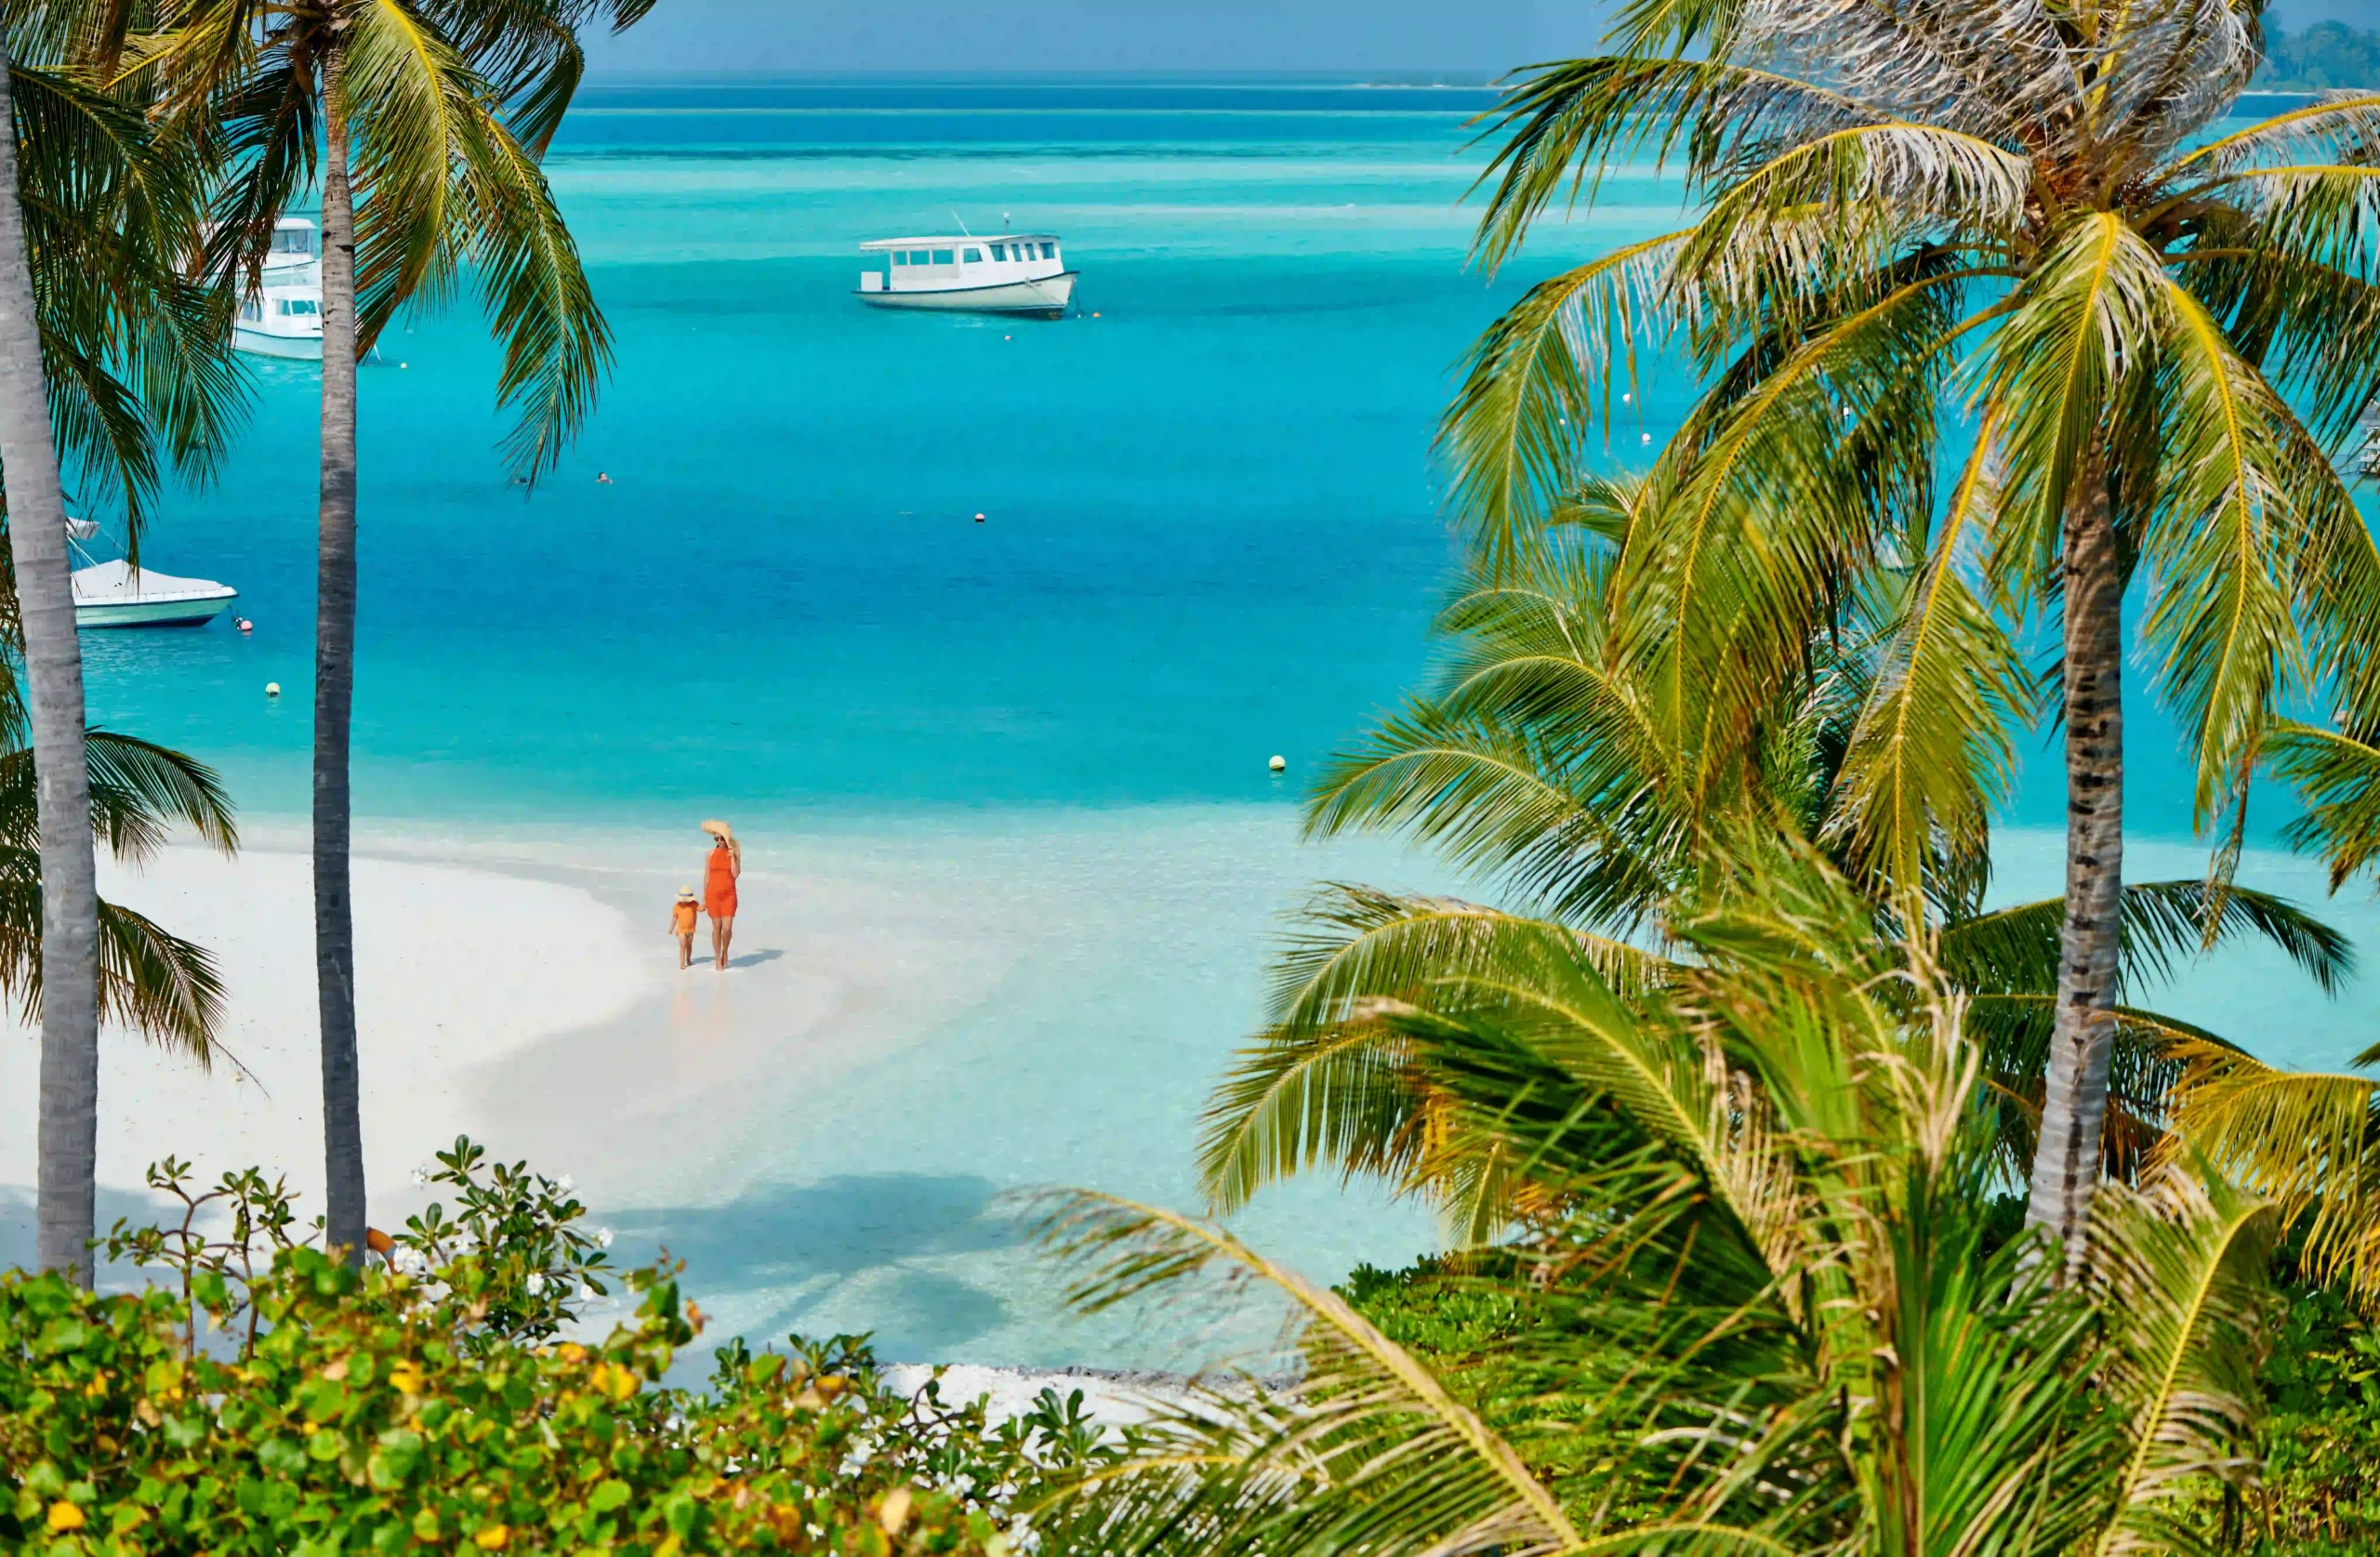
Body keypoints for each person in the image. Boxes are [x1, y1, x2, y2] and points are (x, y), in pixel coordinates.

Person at [701, 822, 741, 970]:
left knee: (727, 928)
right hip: (713, 894)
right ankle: (718, 958)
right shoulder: (710, 854)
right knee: (717, 927)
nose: (719, 842)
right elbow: (707, 876)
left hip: (729, 894)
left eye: (721, 838)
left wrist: (733, 858)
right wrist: (704, 897)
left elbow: (735, 874)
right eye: (716, 839)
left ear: (726, 838)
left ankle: (725, 952)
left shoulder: (735, 853)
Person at [668, 887, 700, 970]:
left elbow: (700, 909)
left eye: (687, 900)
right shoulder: (677, 906)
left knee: (689, 946)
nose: (685, 902)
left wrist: (707, 903)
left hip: (691, 929)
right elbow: (674, 918)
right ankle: (682, 962)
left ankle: (688, 959)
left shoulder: (694, 904)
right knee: (683, 946)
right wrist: (671, 928)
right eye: (684, 900)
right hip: (681, 930)